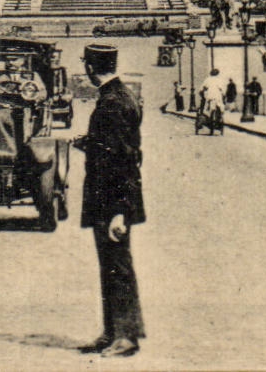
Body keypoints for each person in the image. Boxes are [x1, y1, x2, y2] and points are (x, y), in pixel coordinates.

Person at [73, 44, 145, 357]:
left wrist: (120, 212)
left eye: (86, 64)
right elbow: (111, 145)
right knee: (111, 265)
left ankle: (126, 336)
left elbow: (124, 159)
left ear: (91, 67)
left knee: (117, 266)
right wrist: (86, 142)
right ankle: (113, 331)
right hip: (109, 198)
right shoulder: (121, 95)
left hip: (112, 200)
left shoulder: (111, 102)